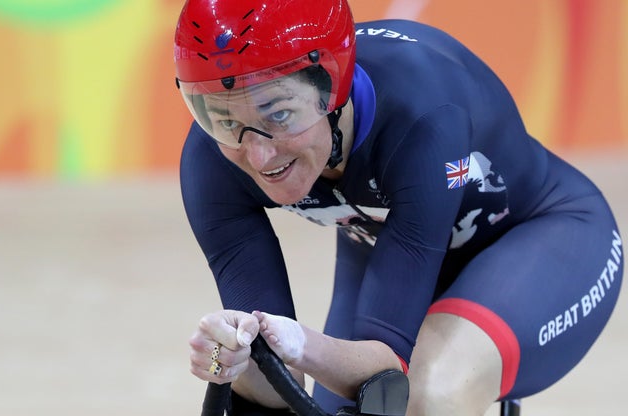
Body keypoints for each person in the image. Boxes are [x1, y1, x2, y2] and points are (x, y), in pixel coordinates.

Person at [173, 0, 624, 414]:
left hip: (542, 235)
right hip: (390, 243)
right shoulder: (211, 158)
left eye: (279, 116)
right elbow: (279, 385)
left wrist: (301, 345)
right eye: (225, 120)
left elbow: (386, 371)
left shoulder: (423, 114)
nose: (259, 156)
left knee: (430, 394)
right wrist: (231, 356)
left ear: (333, 89)